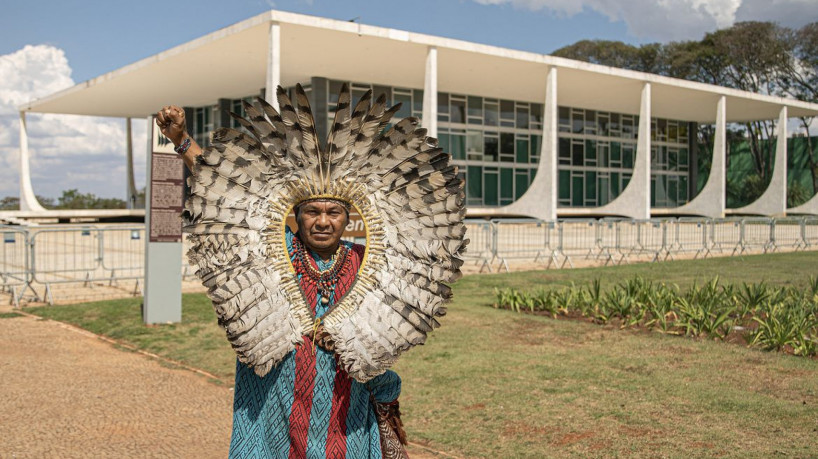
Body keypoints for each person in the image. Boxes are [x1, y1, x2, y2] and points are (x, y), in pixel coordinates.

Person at [156, 106, 405, 458]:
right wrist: (181, 140)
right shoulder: (274, 249)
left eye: (332, 213)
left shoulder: (367, 262)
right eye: (311, 212)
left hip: (345, 410)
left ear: (346, 218)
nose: (322, 222)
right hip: (276, 403)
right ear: (297, 217)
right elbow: (223, 196)